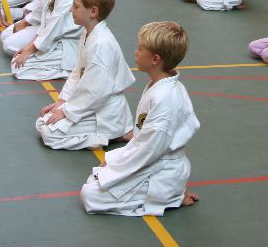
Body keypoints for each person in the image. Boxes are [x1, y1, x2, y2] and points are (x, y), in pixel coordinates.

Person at [79, 21, 200, 216]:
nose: (135, 52)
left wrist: (116, 168)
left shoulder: (166, 98)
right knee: (97, 176)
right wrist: (115, 160)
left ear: (155, 59)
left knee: (90, 195)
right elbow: (144, 141)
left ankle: (171, 195)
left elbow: (149, 149)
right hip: (151, 157)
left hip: (161, 168)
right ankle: (171, 192)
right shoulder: (158, 86)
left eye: (140, 49)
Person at [36, 0, 135, 149]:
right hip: (92, 103)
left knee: (49, 133)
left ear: (93, 12)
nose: (71, 10)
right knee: (43, 122)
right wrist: (62, 101)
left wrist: (67, 111)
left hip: (105, 111)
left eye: (76, 6)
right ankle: (111, 132)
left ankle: (113, 134)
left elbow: (94, 90)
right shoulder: (88, 32)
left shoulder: (101, 44)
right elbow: (78, 72)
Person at [11, 0, 83, 81]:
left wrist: (29, 50)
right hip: (52, 41)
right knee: (17, 60)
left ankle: (68, 70)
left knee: (18, 68)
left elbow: (52, 30)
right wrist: (29, 47)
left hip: (66, 46)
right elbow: (46, 26)